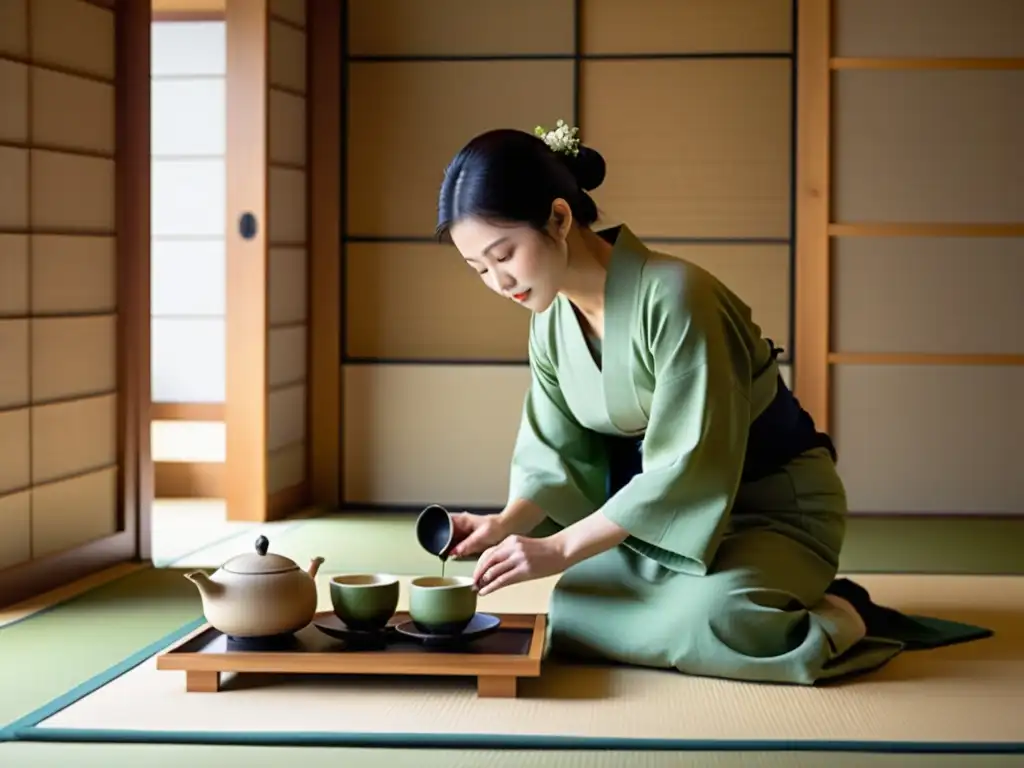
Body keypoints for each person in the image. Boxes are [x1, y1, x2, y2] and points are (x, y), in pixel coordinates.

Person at [432, 120, 905, 685]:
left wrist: (559, 545)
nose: (497, 280)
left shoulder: (679, 297)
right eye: (479, 269)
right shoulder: (552, 320)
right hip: (668, 521)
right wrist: (508, 523)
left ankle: (843, 612)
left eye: (503, 254)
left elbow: (689, 463)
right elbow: (554, 449)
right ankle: (735, 594)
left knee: (721, 618)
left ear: (558, 219)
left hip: (771, 507)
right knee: (577, 607)